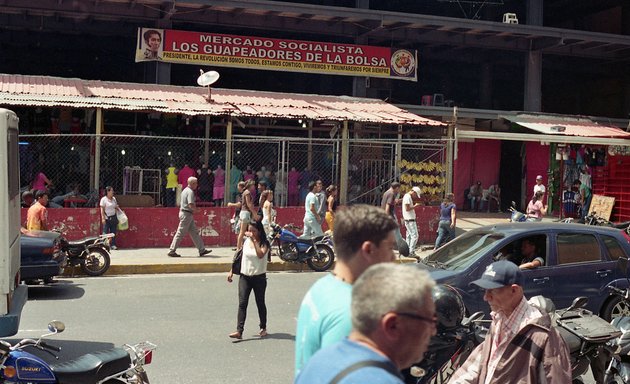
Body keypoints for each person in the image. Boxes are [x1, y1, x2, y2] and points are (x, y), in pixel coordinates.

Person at [294, 205, 398, 376]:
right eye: (389, 247)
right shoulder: (354, 313)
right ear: (369, 249)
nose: (393, 257)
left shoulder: (322, 287)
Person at [296, 263, 437, 383]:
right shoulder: (380, 380)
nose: (434, 331)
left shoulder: (319, 361)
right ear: (392, 325)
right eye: (430, 320)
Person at [449, 260, 570, 383]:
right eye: (485, 291)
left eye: (492, 290)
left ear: (514, 290)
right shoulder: (498, 319)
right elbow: (482, 362)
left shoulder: (543, 338)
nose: (486, 297)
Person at [227, 220, 270, 340]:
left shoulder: (264, 243)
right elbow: (240, 258)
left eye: (253, 231)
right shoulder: (246, 242)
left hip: (259, 277)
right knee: (242, 303)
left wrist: (255, 241)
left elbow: (260, 255)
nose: (250, 233)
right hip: (245, 276)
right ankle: (239, 331)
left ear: (259, 231)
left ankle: (263, 327)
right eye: (249, 230)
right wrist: (232, 271)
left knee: (260, 302)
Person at [167, 177, 212, 258]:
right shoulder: (190, 192)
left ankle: (202, 250)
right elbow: (190, 204)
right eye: (196, 183)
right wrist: (196, 210)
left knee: (194, 233)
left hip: (185, 213)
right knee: (180, 232)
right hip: (186, 214)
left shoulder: (185, 190)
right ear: (193, 184)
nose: (197, 185)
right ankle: (172, 250)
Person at [381, 181, 405, 251]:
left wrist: (401, 200)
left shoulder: (386, 192)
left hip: (384, 214)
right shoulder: (391, 194)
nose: (398, 190)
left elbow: (391, 202)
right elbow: (388, 206)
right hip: (389, 215)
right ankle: (400, 246)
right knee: (396, 230)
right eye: (398, 189)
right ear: (396, 188)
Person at [237, 180, 256, 250]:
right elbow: (249, 204)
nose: (254, 187)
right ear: (250, 186)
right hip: (246, 213)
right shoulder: (247, 192)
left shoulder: (245, 192)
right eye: (253, 185)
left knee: (244, 231)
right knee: (242, 232)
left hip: (244, 213)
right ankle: (238, 247)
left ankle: (240, 246)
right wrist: (254, 213)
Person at [402, 186, 422, 257]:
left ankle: (407, 251)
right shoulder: (407, 197)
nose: (416, 196)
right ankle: (411, 252)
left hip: (408, 220)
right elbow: (407, 208)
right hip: (410, 220)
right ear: (414, 192)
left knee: (409, 236)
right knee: (415, 236)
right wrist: (415, 206)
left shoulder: (407, 196)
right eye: (416, 195)